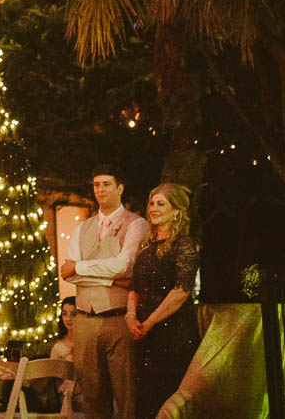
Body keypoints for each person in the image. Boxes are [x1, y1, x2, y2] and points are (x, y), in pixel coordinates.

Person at [60, 166, 148, 419]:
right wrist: (112, 279)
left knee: (127, 395)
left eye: (107, 184)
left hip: (119, 319)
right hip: (85, 320)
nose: (100, 189)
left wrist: (81, 267)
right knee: (92, 398)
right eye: (97, 184)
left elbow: (126, 265)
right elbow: (69, 273)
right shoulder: (82, 228)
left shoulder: (137, 224)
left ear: (120, 188)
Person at [127, 183, 200, 419]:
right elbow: (134, 287)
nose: (154, 208)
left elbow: (181, 290)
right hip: (144, 337)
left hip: (174, 334)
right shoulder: (145, 247)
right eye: (152, 203)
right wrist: (131, 317)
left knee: (169, 398)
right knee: (146, 397)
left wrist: (149, 323)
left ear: (176, 211)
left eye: (161, 204)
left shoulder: (184, 245)